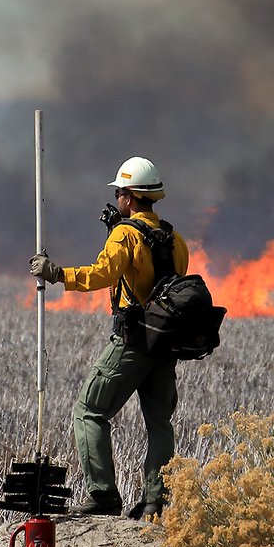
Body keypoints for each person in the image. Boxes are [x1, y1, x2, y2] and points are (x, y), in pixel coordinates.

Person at [30, 157, 189, 520]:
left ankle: (103, 495)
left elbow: (103, 273)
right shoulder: (176, 239)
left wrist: (56, 273)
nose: (117, 196)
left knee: (88, 411)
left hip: (132, 341)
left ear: (130, 197)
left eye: (119, 191)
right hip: (164, 344)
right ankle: (155, 502)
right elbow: (162, 280)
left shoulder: (127, 234)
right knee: (159, 422)